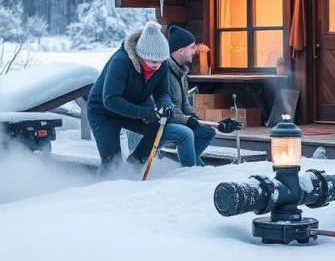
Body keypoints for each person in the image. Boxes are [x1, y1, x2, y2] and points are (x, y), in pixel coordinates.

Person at [87, 21, 183, 169]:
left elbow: (162, 91)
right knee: (112, 164)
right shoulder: (121, 62)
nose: (157, 65)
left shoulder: (161, 64)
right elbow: (111, 100)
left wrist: (165, 105)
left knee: (159, 128)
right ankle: (106, 186)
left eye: (161, 61)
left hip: (132, 106)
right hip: (103, 112)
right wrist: (145, 113)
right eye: (153, 61)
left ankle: (134, 165)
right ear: (141, 55)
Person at [164, 25, 242, 166]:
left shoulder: (181, 72)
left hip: (181, 120)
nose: (195, 51)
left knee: (207, 132)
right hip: (167, 123)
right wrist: (188, 121)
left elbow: (185, 105)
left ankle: (193, 167)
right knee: (188, 134)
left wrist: (198, 119)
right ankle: (191, 170)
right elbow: (168, 108)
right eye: (192, 47)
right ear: (180, 50)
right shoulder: (165, 73)